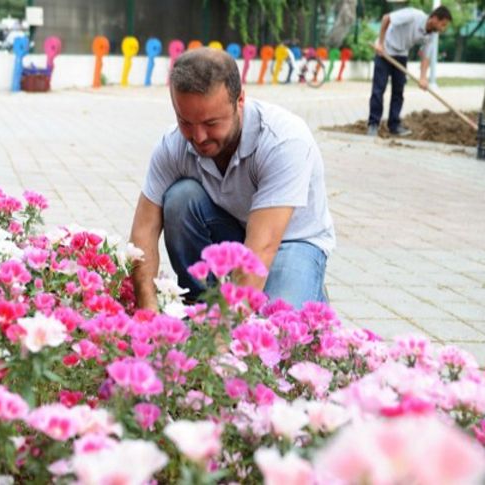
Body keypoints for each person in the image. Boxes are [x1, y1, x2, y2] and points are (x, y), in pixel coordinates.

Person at [129, 48, 335, 310]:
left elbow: (262, 248)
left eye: (211, 123)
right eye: (186, 121)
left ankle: (309, 289)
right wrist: (148, 308)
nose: (199, 136)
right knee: (180, 198)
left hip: (289, 242)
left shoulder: (283, 141)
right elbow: (142, 232)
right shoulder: (174, 144)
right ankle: (200, 304)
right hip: (236, 230)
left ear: (240, 100)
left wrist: (223, 337)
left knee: (276, 324)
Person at [367, 6, 452, 137]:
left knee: (398, 92)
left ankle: (394, 125)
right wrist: (380, 43)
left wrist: (423, 78)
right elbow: (386, 18)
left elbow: (425, 56)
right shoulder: (413, 15)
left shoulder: (431, 35)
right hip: (385, 50)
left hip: (401, 54)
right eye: (443, 24)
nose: (443, 28)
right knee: (379, 90)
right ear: (435, 18)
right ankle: (373, 124)